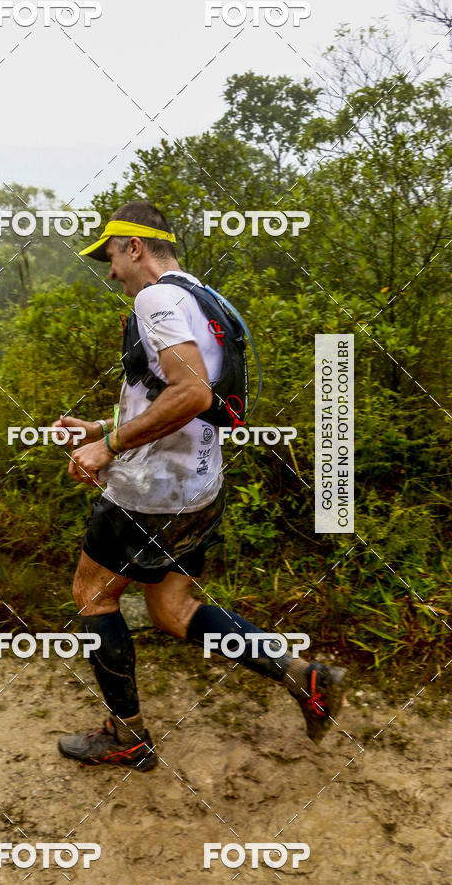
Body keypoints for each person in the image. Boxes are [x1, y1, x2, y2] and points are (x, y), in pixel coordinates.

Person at [54, 200, 346, 772]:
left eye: (110, 256)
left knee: (93, 595)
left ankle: (127, 737)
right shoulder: (199, 296)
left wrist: (106, 448)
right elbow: (169, 396)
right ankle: (304, 676)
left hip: (149, 495)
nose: (109, 270)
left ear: (134, 247)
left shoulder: (155, 297)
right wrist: (101, 425)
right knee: (172, 609)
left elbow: (191, 396)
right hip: (198, 489)